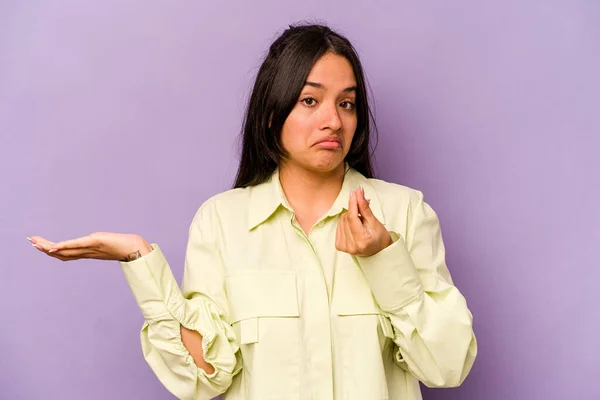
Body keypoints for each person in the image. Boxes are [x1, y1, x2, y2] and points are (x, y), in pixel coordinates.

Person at [30, 23, 477, 400]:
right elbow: (208, 375)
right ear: (270, 113)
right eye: (310, 100)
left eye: (346, 103)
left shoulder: (404, 212)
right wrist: (141, 261)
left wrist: (384, 259)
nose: (333, 121)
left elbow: (448, 365)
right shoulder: (222, 222)